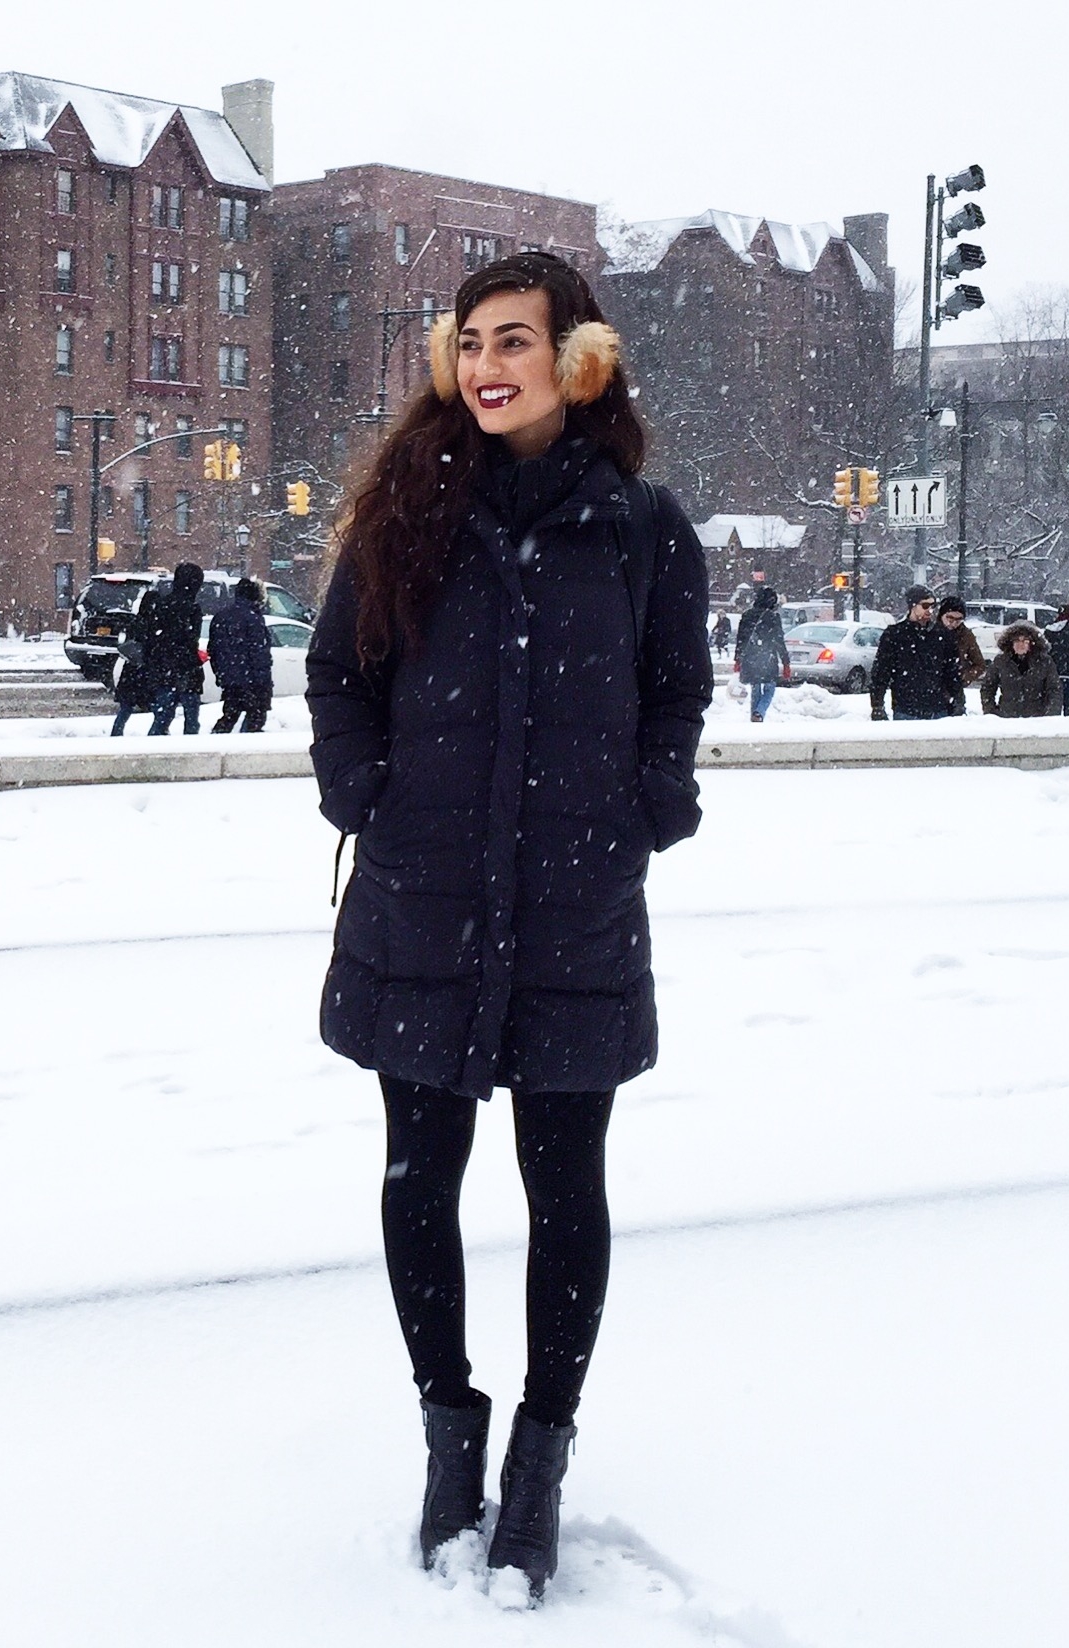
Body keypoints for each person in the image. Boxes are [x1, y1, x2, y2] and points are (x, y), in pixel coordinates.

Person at [307, 252, 711, 1601]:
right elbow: (338, 676)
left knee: (565, 1188)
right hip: (423, 898)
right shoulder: (404, 512)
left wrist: (646, 807)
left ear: (581, 360)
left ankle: (537, 1468)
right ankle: (447, 1442)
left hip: (575, 908)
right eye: (470, 341)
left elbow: (677, 691)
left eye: (516, 341)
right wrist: (371, 795)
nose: (486, 365)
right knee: (420, 1176)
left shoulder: (645, 530)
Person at [870, 585, 963, 721]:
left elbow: (952, 672)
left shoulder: (943, 635)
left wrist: (959, 701)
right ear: (912, 606)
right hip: (906, 708)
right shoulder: (894, 635)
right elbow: (881, 672)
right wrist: (877, 705)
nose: (930, 610)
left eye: (933, 606)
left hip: (938, 707)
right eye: (925, 605)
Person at [133, 561, 205, 735]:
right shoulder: (192, 609)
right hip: (186, 670)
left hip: (164, 669)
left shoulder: (162, 605)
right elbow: (190, 640)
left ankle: (154, 749)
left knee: (162, 717)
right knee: (191, 719)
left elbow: (151, 639)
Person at [207, 577, 274, 733]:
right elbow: (259, 653)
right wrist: (263, 682)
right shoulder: (253, 618)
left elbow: (214, 650)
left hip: (230, 678)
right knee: (255, 718)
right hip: (251, 679)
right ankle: (245, 748)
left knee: (230, 714)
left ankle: (217, 740)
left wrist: (221, 674)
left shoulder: (221, 617)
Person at [979, 621, 1061, 717]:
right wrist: (991, 713)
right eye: (1016, 641)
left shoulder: (1045, 662)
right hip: (1007, 719)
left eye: (1025, 641)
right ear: (1010, 643)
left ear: (1032, 643)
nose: (1020, 644)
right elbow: (988, 687)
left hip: (1037, 720)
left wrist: (1050, 715)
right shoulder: (1001, 661)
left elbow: (1054, 690)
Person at [734, 586, 790, 722]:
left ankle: (755, 715)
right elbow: (779, 640)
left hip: (750, 656)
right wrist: (785, 661)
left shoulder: (747, 615)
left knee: (756, 685)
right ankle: (759, 712)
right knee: (770, 686)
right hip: (768, 656)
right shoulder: (773, 617)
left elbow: (741, 638)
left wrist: (737, 659)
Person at [938, 596, 985, 714]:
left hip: (955, 693)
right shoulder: (931, 632)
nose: (953, 623)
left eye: (959, 620)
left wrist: (963, 678)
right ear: (942, 615)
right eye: (950, 618)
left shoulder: (966, 635)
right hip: (932, 692)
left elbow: (979, 664)